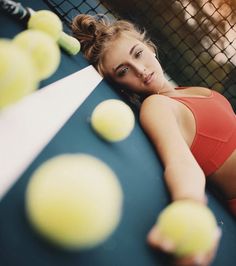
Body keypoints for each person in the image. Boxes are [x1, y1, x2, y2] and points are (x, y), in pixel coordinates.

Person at [71, 14, 236, 265]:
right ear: (118, 83)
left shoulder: (188, 91)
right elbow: (180, 162)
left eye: (138, 54)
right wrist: (190, 207)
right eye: (124, 70)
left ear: (149, 47)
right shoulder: (157, 106)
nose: (140, 70)